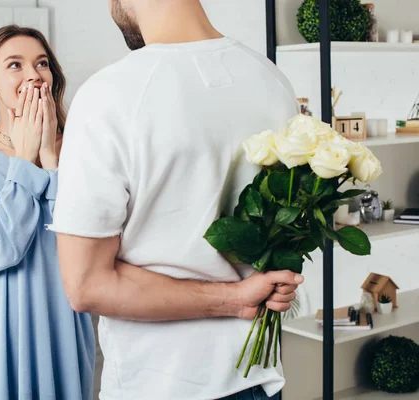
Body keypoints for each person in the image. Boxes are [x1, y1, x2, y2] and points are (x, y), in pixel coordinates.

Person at [48, 1, 304, 399]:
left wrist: (235, 301)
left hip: (158, 382)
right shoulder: (272, 81)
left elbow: (87, 285)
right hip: (258, 378)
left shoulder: (108, 95)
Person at [0, 25, 95, 400]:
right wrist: (26, 160)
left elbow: (83, 238)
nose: (33, 74)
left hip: (65, 319)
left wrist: (50, 161)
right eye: (15, 65)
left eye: (41, 63)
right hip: (2, 328)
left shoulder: (77, 150)